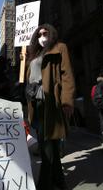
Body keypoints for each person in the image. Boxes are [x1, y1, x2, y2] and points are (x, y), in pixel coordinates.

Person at [26, 23, 75, 190]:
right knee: (50, 144)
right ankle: (59, 180)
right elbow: (29, 77)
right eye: (38, 34)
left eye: (45, 33)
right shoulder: (34, 54)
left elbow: (67, 75)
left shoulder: (60, 47)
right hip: (36, 104)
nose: (42, 37)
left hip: (51, 102)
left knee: (47, 143)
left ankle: (45, 183)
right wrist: (24, 60)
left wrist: (67, 100)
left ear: (51, 33)